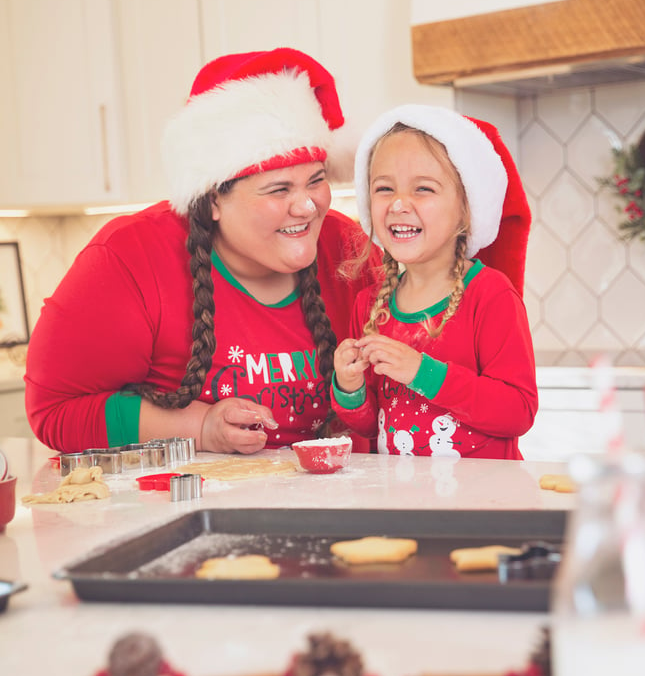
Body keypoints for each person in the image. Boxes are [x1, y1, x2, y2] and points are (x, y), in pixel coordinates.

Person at [24, 48, 381, 455]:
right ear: (212, 199)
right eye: (279, 189)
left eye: (315, 181)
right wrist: (200, 426)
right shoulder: (129, 257)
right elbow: (55, 410)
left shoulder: (348, 250)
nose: (307, 206)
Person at [331, 104, 537, 459]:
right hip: (402, 505)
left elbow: (518, 411)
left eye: (423, 189)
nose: (398, 204)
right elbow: (369, 427)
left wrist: (423, 373)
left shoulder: (490, 295)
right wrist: (349, 389)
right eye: (384, 188)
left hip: (481, 508)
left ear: (466, 209)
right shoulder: (369, 306)